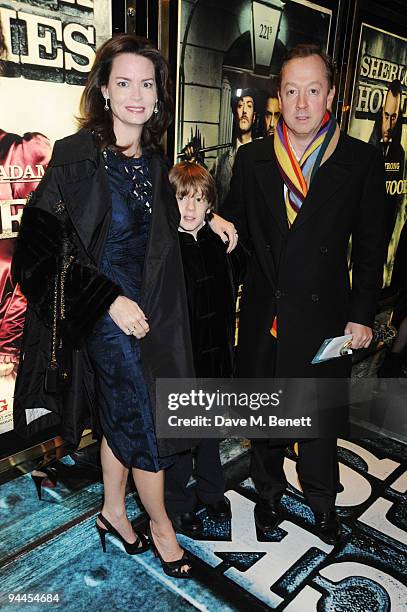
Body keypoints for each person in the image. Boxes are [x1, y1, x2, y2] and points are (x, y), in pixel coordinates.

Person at [12, 34, 237, 578]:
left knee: (120, 420)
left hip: (152, 314)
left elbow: (168, 228)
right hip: (105, 316)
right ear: (104, 91)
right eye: (123, 82)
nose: (136, 94)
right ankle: (163, 527)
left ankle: (114, 512)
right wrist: (107, 300)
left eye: (147, 83)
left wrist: (210, 220)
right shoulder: (74, 158)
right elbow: (35, 260)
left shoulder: (157, 163)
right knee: (148, 424)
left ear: (158, 95)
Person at [222, 44, 386, 545]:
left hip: (324, 317)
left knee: (318, 426)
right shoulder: (251, 159)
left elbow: (372, 247)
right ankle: (268, 494)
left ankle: (321, 501)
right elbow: (237, 234)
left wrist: (363, 314)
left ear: (331, 95)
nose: (300, 103)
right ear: (279, 95)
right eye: (291, 91)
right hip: (266, 315)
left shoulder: (360, 160)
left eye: (313, 91)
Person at [165, 161, 245, 533]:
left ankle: (213, 492)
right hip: (180, 364)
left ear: (210, 204)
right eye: (183, 198)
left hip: (215, 360)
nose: (191, 208)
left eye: (199, 200)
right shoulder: (165, 247)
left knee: (211, 434)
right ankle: (178, 501)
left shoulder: (219, 242)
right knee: (181, 440)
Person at [368, 79, 405, 252]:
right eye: (386, 115)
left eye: (394, 117)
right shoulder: (368, 149)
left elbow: (395, 204)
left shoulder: (400, 154)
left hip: (383, 239)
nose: (389, 125)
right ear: (381, 113)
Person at [213, 89, 257, 206]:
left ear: (254, 117)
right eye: (240, 105)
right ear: (235, 114)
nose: (244, 111)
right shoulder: (220, 162)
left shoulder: (261, 157)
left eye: (249, 106)